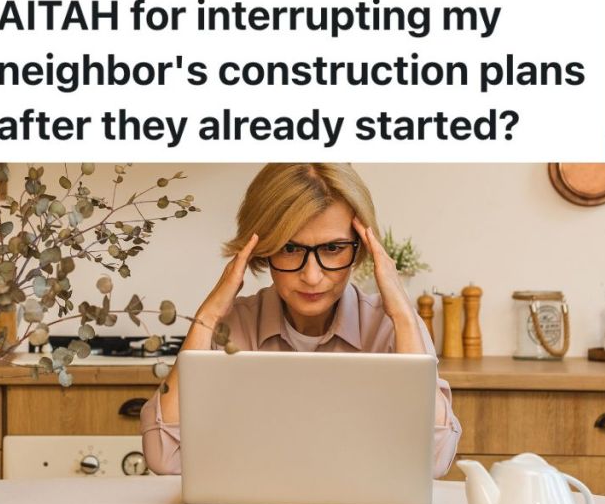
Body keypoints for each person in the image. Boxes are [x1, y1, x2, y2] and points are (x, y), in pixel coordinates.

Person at [140, 163, 461, 477]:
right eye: (291, 248)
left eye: (333, 248)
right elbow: (164, 457)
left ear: (363, 248)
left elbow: (434, 459)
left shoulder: (394, 327)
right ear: (262, 248)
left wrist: (404, 315)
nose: (311, 276)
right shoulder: (230, 329)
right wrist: (207, 316)